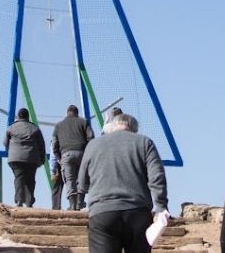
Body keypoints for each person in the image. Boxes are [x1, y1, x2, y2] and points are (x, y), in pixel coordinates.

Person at [78, 113, 168, 253]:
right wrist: (161, 207)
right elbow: (157, 177)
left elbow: (82, 183)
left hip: (103, 213)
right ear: (134, 129)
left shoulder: (93, 145)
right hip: (137, 212)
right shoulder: (144, 142)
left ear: (112, 127)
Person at [52, 104, 94, 210]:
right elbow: (91, 137)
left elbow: (54, 143)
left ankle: (72, 204)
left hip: (66, 154)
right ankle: (80, 203)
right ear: (77, 113)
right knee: (82, 178)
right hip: (82, 154)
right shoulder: (83, 122)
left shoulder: (58, 126)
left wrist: (58, 158)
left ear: (67, 113)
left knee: (70, 179)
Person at [3, 107, 46, 208]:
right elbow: (41, 145)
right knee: (30, 179)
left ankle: (19, 200)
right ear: (28, 117)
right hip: (31, 158)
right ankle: (29, 201)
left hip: (15, 158)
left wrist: (12, 150)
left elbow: (5, 142)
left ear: (18, 116)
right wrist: (42, 159)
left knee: (19, 178)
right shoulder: (34, 128)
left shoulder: (11, 128)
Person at [50, 138, 64, 210]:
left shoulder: (56, 137)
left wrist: (53, 170)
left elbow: (53, 156)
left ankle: (56, 206)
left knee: (57, 186)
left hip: (59, 163)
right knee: (72, 183)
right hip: (72, 162)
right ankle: (74, 205)